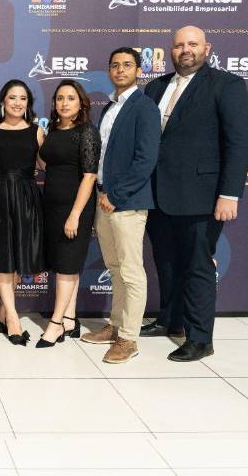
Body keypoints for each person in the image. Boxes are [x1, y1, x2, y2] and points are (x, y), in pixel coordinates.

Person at [142, 25, 248, 361]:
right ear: (171, 50)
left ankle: (201, 337)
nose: (185, 50)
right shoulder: (155, 87)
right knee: (166, 262)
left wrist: (230, 194)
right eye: (178, 45)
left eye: (192, 44)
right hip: (158, 196)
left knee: (197, 266)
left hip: (202, 197)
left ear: (207, 48)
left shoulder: (226, 85)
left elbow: (240, 142)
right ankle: (171, 321)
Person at [79, 48, 160, 363]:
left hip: (125, 201)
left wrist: (117, 194)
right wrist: (105, 194)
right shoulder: (109, 107)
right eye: (115, 65)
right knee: (115, 268)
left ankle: (129, 338)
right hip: (104, 198)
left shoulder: (145, 108)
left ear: (138, 71)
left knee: (130, 271)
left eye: (127, 65)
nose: (120, 70)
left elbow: (146, 160)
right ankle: (115, 326)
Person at [0, 79, 46, 346]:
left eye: (22, 98)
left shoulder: (37, 132)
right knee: (4, 256)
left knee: (19, 257)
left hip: (28, 198)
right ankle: (13, 317)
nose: (17, 103)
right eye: (12, 98)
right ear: (2, 102)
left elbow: (44, 164)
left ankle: (3, 308)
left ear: (28, 104)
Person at [37, 79, 100, 348]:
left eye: (70, 98)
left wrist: (75, 214)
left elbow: (89, 176)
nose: (64, 103)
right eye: (60, 98)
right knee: (65, 264)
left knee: (66, 264)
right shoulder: (53, 129)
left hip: (74, 207)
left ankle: (55, 324)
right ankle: (71, 319)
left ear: (81, 102)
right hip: (50, 205)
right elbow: (48, 163)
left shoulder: (86, 132)